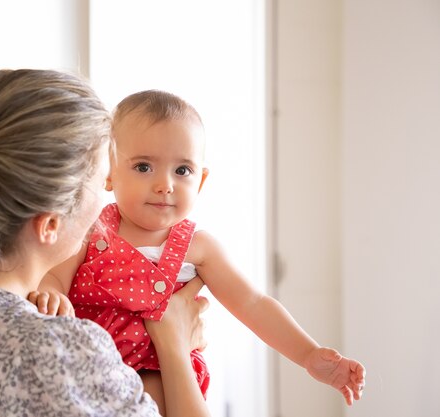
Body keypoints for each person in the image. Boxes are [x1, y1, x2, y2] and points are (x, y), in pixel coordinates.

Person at [0, 70, 212, 417]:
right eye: (102, 177)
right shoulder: (63, 351)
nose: (108, 199)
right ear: (50, 224)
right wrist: (174, 347)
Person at [29, 89, 366, 415]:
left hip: (158, 370)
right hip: (89, 361)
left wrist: (308, 354)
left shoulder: (198, 247)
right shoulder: (91, 230)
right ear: (108, 173)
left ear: (200, 181)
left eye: (182, 170)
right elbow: (53, 276)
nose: (165, 185)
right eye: (144, 167)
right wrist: (51, 295)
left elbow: (253, 304)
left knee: (151, 395)